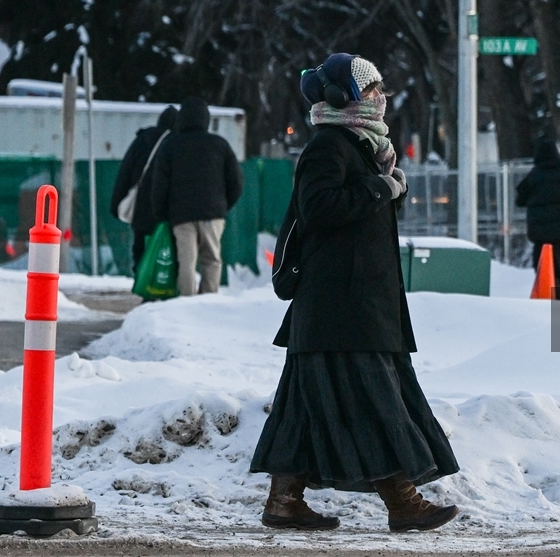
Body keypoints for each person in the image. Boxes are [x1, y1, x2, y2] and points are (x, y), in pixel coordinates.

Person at [250, 53, 460, 532]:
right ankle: (404, 503)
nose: (380, 96)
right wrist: (378, 189)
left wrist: (388, 188)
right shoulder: (329, 146)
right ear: (340, 96)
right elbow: (320, 208)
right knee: (374, 401)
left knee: (305, 408)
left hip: (347, 304)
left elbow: (355, 220)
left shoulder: (363, 148)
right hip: (342, 304)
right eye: (370, 89)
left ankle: (285, 501)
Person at [151, 97, 243, 296]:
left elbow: (159, 185)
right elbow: (236, 182)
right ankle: (208, 303)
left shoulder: (170, 146)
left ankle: (187, 301)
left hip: (181, 216)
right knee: (211, 259)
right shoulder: (220, 144)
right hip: (213, 214)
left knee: (186, 262)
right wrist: (222, 206)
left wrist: (161, 214)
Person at [109, 105, 178, 275]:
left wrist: (116, 204)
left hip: (142, 207)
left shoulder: (143, 140)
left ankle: (144, 286)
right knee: (169, 249)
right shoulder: (179, 142)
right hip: (169, 209)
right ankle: (166, 288)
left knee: (141, 248)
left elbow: (125, 172)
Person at [515, 137, 560, 301]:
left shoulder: (534, 176)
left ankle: (548, 299)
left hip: (543, 236)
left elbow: (520, 199)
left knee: (544, 270)